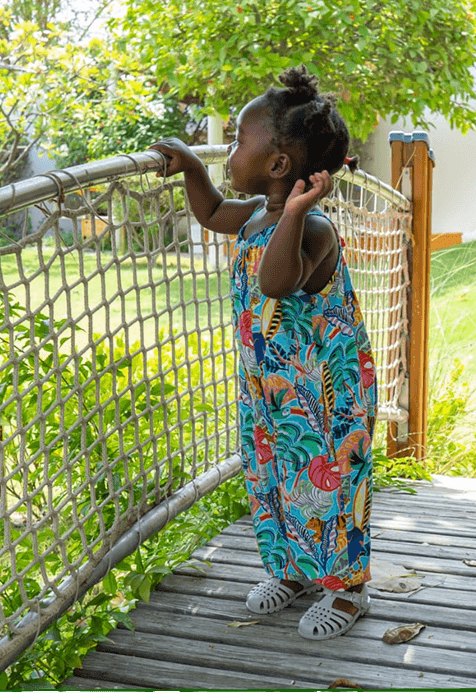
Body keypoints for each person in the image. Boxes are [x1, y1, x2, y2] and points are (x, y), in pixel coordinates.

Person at [150, 65, 376, 638]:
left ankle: (347, 590)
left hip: (325, 389)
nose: (229, 145)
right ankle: (293, 568)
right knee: (272, 471)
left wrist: (296, 213)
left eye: (238, 139)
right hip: (269, 382)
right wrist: (196, 169)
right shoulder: (252, 214)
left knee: (330, 477)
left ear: (278, 165)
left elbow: (277, 282)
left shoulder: (313, 227)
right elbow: (207, 212)